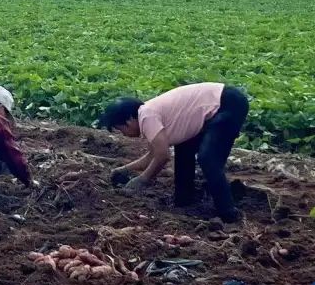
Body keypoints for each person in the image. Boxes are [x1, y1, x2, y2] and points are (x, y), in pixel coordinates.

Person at [99, 82, 250, 223]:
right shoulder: (149, 114)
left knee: (208, 158)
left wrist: (143, 180)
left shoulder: (146, 116)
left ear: (130, 120)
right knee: (183, 149)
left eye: (120, 129)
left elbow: (163, 156)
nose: (123, 134)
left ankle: (228, 213)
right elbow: (152, 156)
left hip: (227, 103)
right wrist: (124, 170)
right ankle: (184, 201)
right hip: (223, 102)